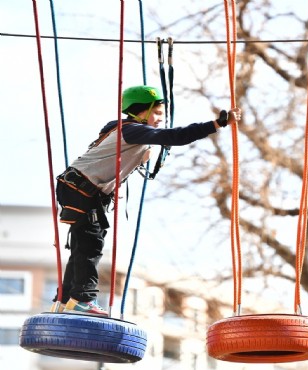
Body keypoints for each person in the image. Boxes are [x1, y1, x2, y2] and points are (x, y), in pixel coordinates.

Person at [52, 85, 242, 316]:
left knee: (84, 244)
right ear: (141, 111)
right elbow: (174, 136)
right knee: (90, 244)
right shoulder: (132, 130)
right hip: (82, 189)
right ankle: (81, 298)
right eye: (157, 113)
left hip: (82, 189)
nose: (161, 118)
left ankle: (66, 299)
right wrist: (217, 124)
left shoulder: (124, 131)